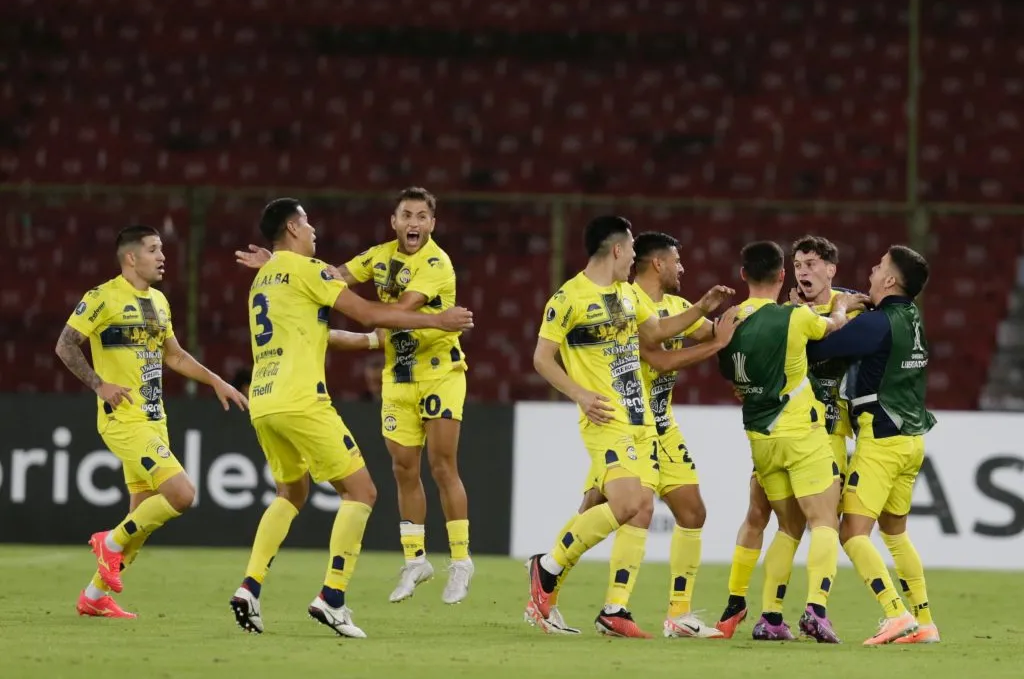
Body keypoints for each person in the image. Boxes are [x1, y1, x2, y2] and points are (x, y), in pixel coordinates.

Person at [228, 198, 473, 638]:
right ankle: (333, 597)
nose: (315, 230)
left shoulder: (263, 279)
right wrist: (438, 319)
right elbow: (370, 312)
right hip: (303, 399)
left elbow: (326, 332)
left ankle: (249, 586)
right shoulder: (310, 271)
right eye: (307, 223)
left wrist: (369, 343)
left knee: (291, 492)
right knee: (361, 491)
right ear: (292, 228)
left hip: (263, 400)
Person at [524, 216, 735, 638]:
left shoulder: (625, 294)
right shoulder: (568, 298)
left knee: (634, 507)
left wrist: (701, 309)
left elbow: (656, 331)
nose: (636, 259)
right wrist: (581, 395)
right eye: (633, 251)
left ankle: (599, 602)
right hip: (605, 417)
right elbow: (542, 358)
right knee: (624, 506)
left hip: (640, 418)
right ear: (617, 250)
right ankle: (545, 569)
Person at [55, 225, 248, 619]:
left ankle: (93, 597)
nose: (163, 256)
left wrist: (216, 380)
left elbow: (174, 356)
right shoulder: (102, 298)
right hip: (123, 420)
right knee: (182, 494)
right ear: (131, 258)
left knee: (139, 524)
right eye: (154, 249)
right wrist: (99, 384)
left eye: (162, 249)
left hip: (155, 418)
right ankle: (107, 541)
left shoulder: (159, 301)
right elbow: (65, 345)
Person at [716, 234, 863, 637]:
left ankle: (770, 617)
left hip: (761, 438)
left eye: (811, 264)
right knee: (825, 523)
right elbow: (832, 326)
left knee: (787, 527)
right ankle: (816, 609)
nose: (803, 271)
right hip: (803, 434)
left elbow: (731, 373)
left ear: (744, 274)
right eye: (797, 266)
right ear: (783, 274)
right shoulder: (792, 317)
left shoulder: (730, 320)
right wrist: (843, 307)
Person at [805, 245, 938, 646]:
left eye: (879, 266)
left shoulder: (879, 323)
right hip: (912, 439)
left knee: (852, 533)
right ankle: (925, 621)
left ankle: (895, 613)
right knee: (895, 532)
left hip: (881, 437)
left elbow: (818, 349)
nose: (873, 270)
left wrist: (840, 311)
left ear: (891, 281)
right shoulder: (911, 317)